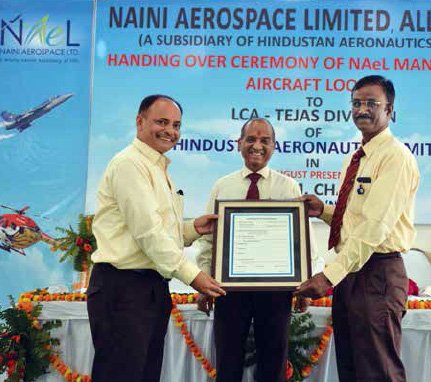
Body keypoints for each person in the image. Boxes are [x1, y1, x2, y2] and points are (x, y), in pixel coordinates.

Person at [87, 95, 226, 382]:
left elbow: (157, 229)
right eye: (161, 122)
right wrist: (194, 276)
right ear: (140, 122)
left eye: (176, 125)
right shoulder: (129, 164)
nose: (170, 131)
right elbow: (148, 234)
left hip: (149, 289)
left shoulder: (157, 168)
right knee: (122, 375)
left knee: (145, 373)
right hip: (123, 288)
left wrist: (192, 230)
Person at [295, 75, 420, 382]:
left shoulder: (394, 157)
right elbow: (357, 219)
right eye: (356, 103)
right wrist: (323, 211)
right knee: (351, 368)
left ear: (389, 109)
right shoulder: (358, 156)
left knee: (378, 371)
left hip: (377, 273)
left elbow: (375, 228)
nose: (362, 109)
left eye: (371, 103)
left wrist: (328, 276)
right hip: (352, 273)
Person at [195, 118, 323, 382]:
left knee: (273, 364)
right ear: (239, 144)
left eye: (265, 140)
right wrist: (203, 281)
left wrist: (304, 284)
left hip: (275, 292)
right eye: (251, 139)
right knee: (228, 363)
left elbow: (303, 240)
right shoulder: (223, 186)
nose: (257, 146)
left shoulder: (288, 186)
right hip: (227, 291)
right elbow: (209, 240)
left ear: (274, 146)